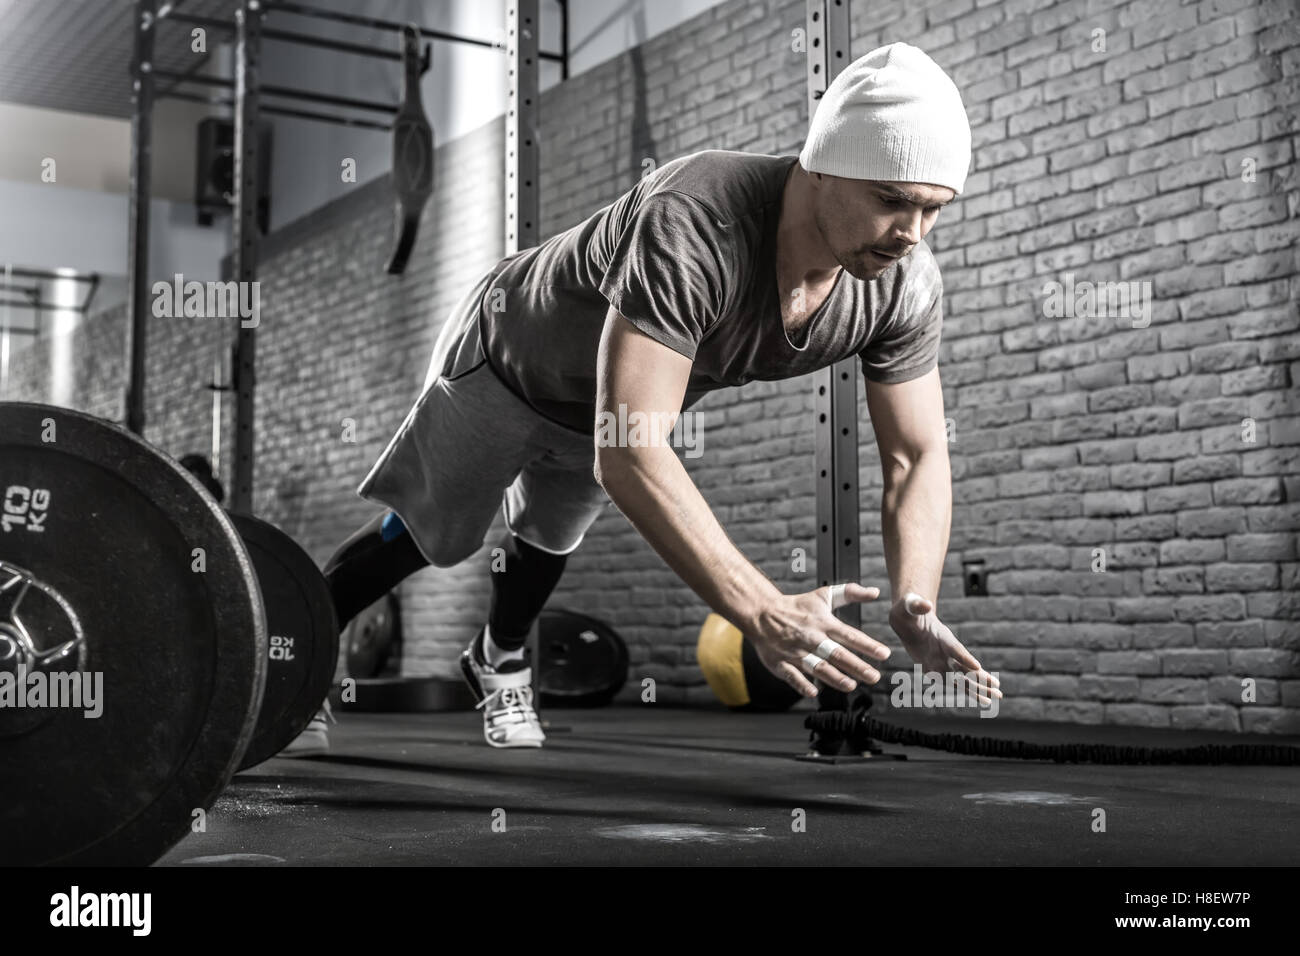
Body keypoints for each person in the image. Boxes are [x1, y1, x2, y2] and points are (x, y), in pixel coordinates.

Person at [319, 42, 1003, 749]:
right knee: (433, 537)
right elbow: (631, 453)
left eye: (934, 210)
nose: (911, 235)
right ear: (823, 162)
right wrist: (764, 611)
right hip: (507, 361)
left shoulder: (903, 284)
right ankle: (305, 650)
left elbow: (917, 455)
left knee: (547, 539)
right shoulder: (698, 216)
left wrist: (914, 600)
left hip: (601, 411)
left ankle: (498, 659)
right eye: (892, 201)